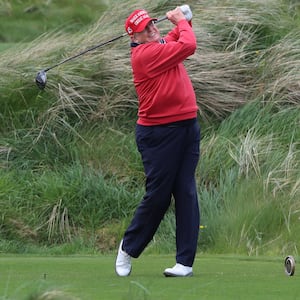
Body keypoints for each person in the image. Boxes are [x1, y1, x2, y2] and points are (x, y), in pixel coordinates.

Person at [115, 6, 201, 277]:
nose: (152, 29)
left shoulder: (159, 44)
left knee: (186, 191)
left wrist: (184, 20)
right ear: (135, 38)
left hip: (187, 126)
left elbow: (177, 36)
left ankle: (184, 263)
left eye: (152, 24)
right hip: (159, 134)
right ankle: (128, 248)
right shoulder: (145, 55)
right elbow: (188, 44)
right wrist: (180, 21)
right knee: (159, 196)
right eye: (145, 29)